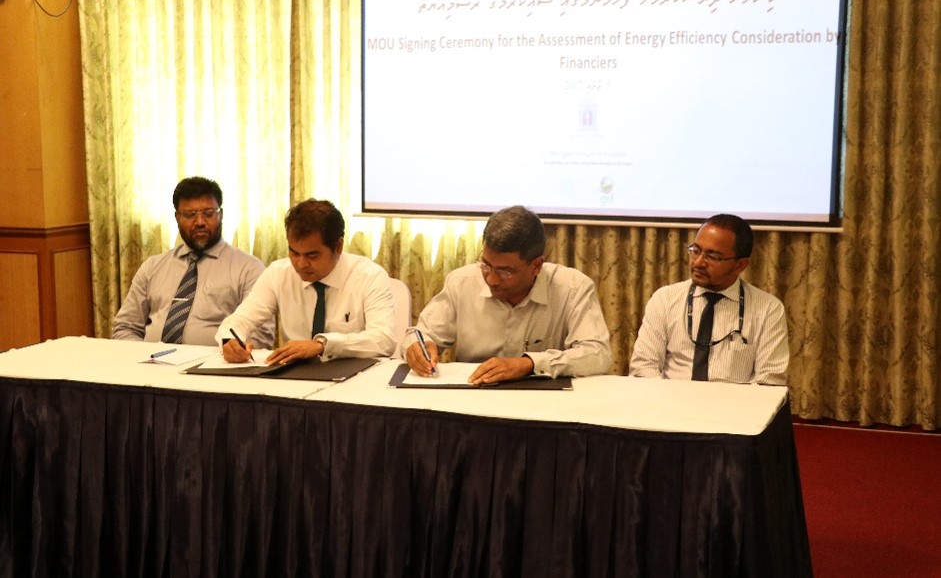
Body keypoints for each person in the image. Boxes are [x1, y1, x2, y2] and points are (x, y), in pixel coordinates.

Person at [404, 205, 612, 384]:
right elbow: (420, 335)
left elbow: (597, 354)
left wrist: (530, 364)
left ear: (537, 266)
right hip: (473, 397)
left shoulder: (572, 288)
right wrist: (417, 347)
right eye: (486, 265)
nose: (492, 279)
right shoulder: (461, 282)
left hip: (543, 403)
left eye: (505, 272)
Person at [217, 198, 396, 364]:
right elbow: (240, 320)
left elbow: (383, 340)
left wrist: (323, 345)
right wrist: (230, 340)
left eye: (312, 255)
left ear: (338, 247)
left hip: (355, 376)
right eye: (294, 253)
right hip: (294, 376)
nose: (301, 264)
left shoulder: (369, 276)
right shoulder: (278, 273)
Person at [112, 176, 274, 347]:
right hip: (150, 360)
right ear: (177, 218)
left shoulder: (249, 269)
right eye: (190, 215)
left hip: (216, 363)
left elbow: (260, 336)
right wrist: (141, 355)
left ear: (221, 215)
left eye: (208, 213)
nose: (200, 222)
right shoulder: (152, 267)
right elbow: (125, 327)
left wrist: (235, 353)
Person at [629, 214, 788, 385]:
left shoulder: (768, 309)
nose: (698, 263)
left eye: (712, 257)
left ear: (740, 265)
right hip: (670, 399)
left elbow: (769, 380)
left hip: (734, 401)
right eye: (696, 251)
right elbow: (643, 366)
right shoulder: (665, 299)